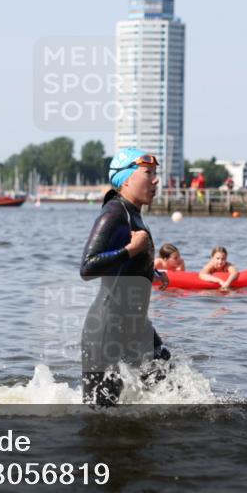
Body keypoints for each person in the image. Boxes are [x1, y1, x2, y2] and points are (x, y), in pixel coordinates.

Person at [80, 148, 170, 406]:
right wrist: (131, 250)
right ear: (126, 179)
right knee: (99, 413)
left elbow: (120, 264)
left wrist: (149, 271)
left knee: (167, 382)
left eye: (156, 173)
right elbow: (87, 267)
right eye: (148, 173)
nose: (155, 180)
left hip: (136, 325)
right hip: (108, 329)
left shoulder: (132, 212)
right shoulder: (114, 213)